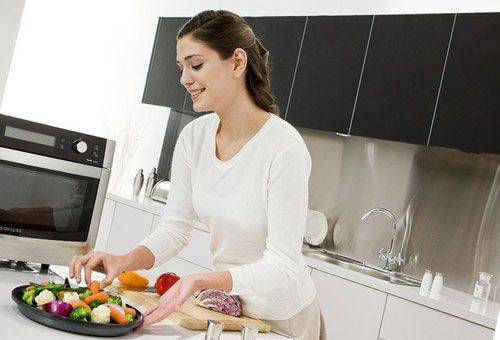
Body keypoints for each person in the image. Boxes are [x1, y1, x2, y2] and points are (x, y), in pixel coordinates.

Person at [69, 10, 325, 339]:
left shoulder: (283, 147)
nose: (184, 78)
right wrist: (124, 260)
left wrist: (201, 281)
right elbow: (175, 228)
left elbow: (283, 266)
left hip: (284, 319)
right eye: (181, 68)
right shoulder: (194, 137)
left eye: (196, 64)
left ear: (236, 62)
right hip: (231, 310)